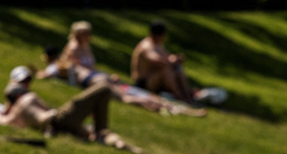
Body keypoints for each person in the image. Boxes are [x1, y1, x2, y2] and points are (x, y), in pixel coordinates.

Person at [1, 66, 142, 153]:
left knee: (89, 131)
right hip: (56, 121)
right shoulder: (29, 98)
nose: (27, 85)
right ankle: (103, 133)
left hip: (55, 127)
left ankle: (110, 139)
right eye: (24, 82)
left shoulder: (15, 111)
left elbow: (4, 118)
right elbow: (48, 114)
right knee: (104, 88)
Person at [37, 47, 206, 116]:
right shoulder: (69, 63)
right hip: (103, 77)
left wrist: (39, 73)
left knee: (127, 97)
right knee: (139, 94)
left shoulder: (56, 67)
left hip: (97, 82)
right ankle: (186, 111)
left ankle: (159, 107)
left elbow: (46, 75)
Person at [131, 20, 196, 104]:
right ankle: (180, 96)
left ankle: (187, 95)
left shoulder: (158, 45)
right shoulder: (146, 45)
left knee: (177, 69)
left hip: (153, 80)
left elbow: (167, 57)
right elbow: (155, 59)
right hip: (143, 83)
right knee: (165, 71)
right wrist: (171, 61)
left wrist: (175, 59)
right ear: (159, 35)